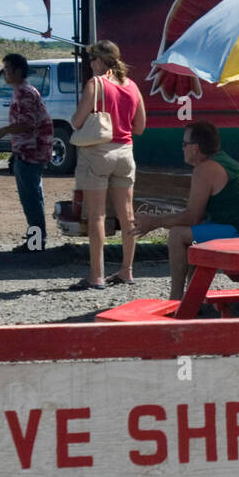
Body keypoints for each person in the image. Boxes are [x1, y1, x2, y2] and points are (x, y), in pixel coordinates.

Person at [132, 121, 239, 300]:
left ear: (195, 148)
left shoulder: (206, 169)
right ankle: (193, 297)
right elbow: (196, 219)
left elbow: (191, 216)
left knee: (177, 236)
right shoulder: (222, 161)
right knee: (195, 232)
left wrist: (153, 222)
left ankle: (175, 300)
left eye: (184, 144)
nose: (182, 148)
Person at [68, 40, 146, 290]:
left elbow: (77, 121)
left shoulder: (96, 84)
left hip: (98, 153)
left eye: (92, 59)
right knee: (127, 215)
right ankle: (127, 270)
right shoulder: (132, 86)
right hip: (125, 152)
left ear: (100, 61)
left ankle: (97, 275)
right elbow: (140, 127)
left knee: (97, 216)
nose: (91, 64)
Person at [0, 53, 53, 252]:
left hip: (30, 154)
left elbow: (27, 123)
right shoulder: (21, 91)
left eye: (7, 69)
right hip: (26, 152)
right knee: (32, 198)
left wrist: (5, 130)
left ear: (18, 71)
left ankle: (36, 243)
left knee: (32, 200)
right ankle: (35, 241)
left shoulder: (25, 93)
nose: (4, 73)